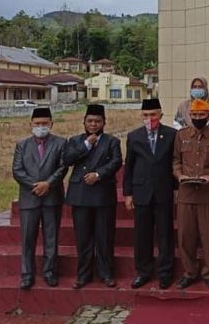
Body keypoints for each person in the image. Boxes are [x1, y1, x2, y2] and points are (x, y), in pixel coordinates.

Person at [63, 104, 122, 289]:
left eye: (97, 121)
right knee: (83, 238)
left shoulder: (112, 141)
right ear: (84, 122)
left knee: (104, 236)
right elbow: (68, 159)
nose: (94, 124)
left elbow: (116, 161)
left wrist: (98, 174)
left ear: (104, 122)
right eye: (90, 121)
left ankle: (106, 274)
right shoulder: (75, 141)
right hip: (80, 195)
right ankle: (83, 275)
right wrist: (87, 144)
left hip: (103, 194)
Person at [124, 98, 178, 290]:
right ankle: (143, 272)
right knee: (142, 234)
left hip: (163, 191)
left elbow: (175, 164)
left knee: (165, 234)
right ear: (141, 116)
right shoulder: (134, 136)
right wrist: (128, 193)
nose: (149, 118)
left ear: (161, 115)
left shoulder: (172, 135)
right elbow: (128, 167)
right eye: (146, 115)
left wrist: (176, 189)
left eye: (153, 114)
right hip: (141, 192)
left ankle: (165, 273)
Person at [12, 106, 67, 290]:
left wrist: (48, 184)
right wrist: (35, 185)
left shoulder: (60, 143)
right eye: (37, 124)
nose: (41, 126)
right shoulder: (22, 145)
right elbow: (17, 170)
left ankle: (50, 271)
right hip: (30, 198)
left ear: (51, 123)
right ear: (31, 124)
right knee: (28, 238)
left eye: (44, 123)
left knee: (51, 237)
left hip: (52, 197)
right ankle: (27, 274)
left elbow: (62, 168)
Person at [172, 98, 209, 290]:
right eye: (194, 115)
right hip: (186, 193)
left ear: (208, 116)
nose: (197, 118)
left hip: (207, 193)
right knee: (186, 236)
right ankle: (189, 272)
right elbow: (176, 160)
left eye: (201, 115)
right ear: (189, 116)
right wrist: (179, 175)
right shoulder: (181, 136)